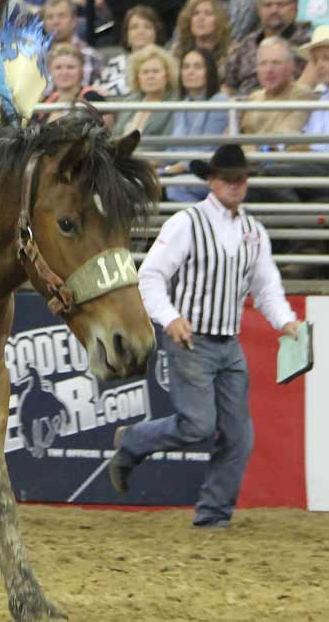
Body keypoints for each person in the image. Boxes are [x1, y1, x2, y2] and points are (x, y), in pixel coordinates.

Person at [109, 143, 303, 528]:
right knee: (197, 425)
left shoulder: (254, 232)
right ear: (212, 181)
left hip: (228, 344)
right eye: (228, 178)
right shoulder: (186, 222)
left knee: (238, 436)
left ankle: (213, 515)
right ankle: (133, 441)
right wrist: (170, 317)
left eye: (240, 179)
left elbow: (266, 288)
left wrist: (287, 322)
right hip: (191, 340)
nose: (235, 185)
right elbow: (150, 275)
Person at [162, 48, 229, 204]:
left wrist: (176, 168)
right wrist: (156, 165)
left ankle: (203, 224)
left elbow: (208, 150)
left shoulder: (220, 102)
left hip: (208, 172)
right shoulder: (182, 105)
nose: (190, 72)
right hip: (178, 171)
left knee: (175, 187)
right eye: (186, 67)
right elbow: (172, 149)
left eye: (197, 67)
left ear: (209, 72)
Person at [223, 0, 311, 96]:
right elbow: (227, 85)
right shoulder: (245, 45)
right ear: (259, 10)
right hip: (245, 109)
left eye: (280, 5)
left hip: (288, 109)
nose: (274, 10)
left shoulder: (308, 46)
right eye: (268, 5)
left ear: (294, 9)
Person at [239, 37, 314, 144]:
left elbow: (282, 138)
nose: (269, 70)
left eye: (276, 63)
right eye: (263, 64)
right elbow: (229, 139)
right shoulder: (254, 97)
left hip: (278, 158)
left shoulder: (302, 96)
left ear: (291, 66)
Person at [97, 5, 165, 98]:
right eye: (134, 27)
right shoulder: (115, 62)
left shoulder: (165, 63)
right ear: (126, 36)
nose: (141, 31)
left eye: (147, 27)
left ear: (156, 33)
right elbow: (97, 89)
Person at [113, 44, 178, 138]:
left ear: (167, 76)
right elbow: (116, 134)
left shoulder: (175, 104)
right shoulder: (130, 102)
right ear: (137, 77)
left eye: (155, 71)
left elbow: (166, 142)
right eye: (145, 72)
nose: (150, 76)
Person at [41, 0, 102, 87]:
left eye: (61, 16)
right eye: (50, 17)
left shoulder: (88, 55)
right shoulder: (35, 57)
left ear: (73, 21)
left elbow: (79, 92)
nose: (55, 22)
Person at [39, 43, 104, 122]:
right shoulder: (45, 101)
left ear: (81, 70)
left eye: (70, 67)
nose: (64, 73)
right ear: (50, 71)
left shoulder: (93, 97)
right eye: (58, 67)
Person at [173, 0, 233, 69]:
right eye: (195, 13)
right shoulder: (178, 52)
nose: (200, 18)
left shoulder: (230, 53)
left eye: (208, 13)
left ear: (219, 20)